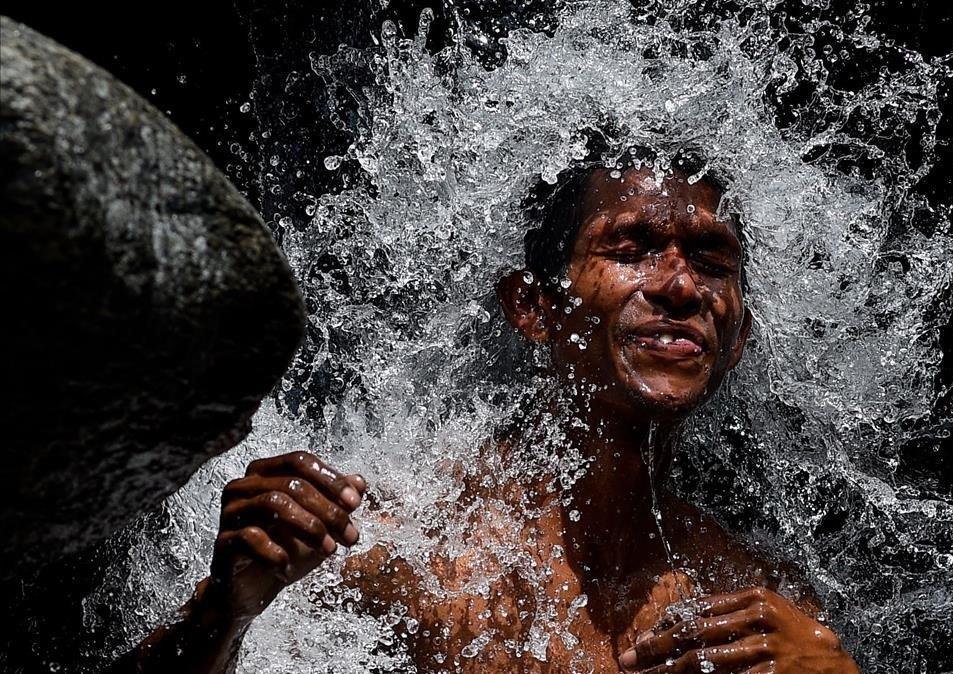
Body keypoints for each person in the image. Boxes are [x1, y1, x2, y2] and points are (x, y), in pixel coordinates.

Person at [120, 151, 861, 673]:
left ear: (737, 340)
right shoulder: (405, 548)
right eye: (631, 246)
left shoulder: (759, 604)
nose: (678, 285)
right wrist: (225, 609)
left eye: (710, 259)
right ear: (533, 307)